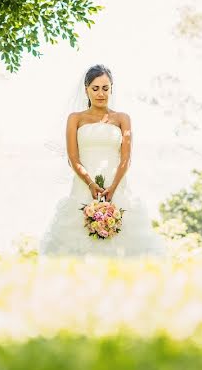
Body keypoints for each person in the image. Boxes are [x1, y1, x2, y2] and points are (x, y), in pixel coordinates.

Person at [38, 64, 167, 258]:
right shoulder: (75, 119)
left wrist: (113, 187)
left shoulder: (122, 119)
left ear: (111, 89)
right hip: (83, 185)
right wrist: (90, 184)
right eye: (95, 88)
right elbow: (73, 158)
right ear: (86, 90)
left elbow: (126, 158)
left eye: (105, 88)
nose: (100, 93)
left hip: (117, 185)